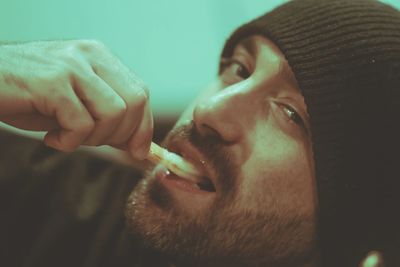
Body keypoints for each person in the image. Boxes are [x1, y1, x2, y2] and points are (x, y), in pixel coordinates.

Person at [0, 0, 399, 266]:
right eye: (238, 69)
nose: (209, 109)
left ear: (353, 207)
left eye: (291, 113)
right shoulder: (54, 209)